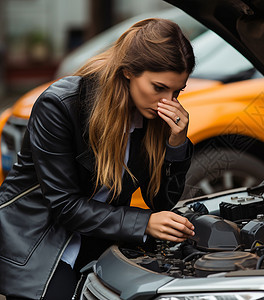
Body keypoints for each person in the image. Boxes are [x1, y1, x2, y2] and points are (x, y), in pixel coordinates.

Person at [0, 18, 196, 299]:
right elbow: (64, 206)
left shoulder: (153, 117)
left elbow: (160, 201)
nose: (169, 101)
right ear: (128, 71)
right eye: (159, 88)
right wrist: (144, 223)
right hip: (38, 244)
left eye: (177, 92)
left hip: (99, 239)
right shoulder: (61, 104)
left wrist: (176, 144)